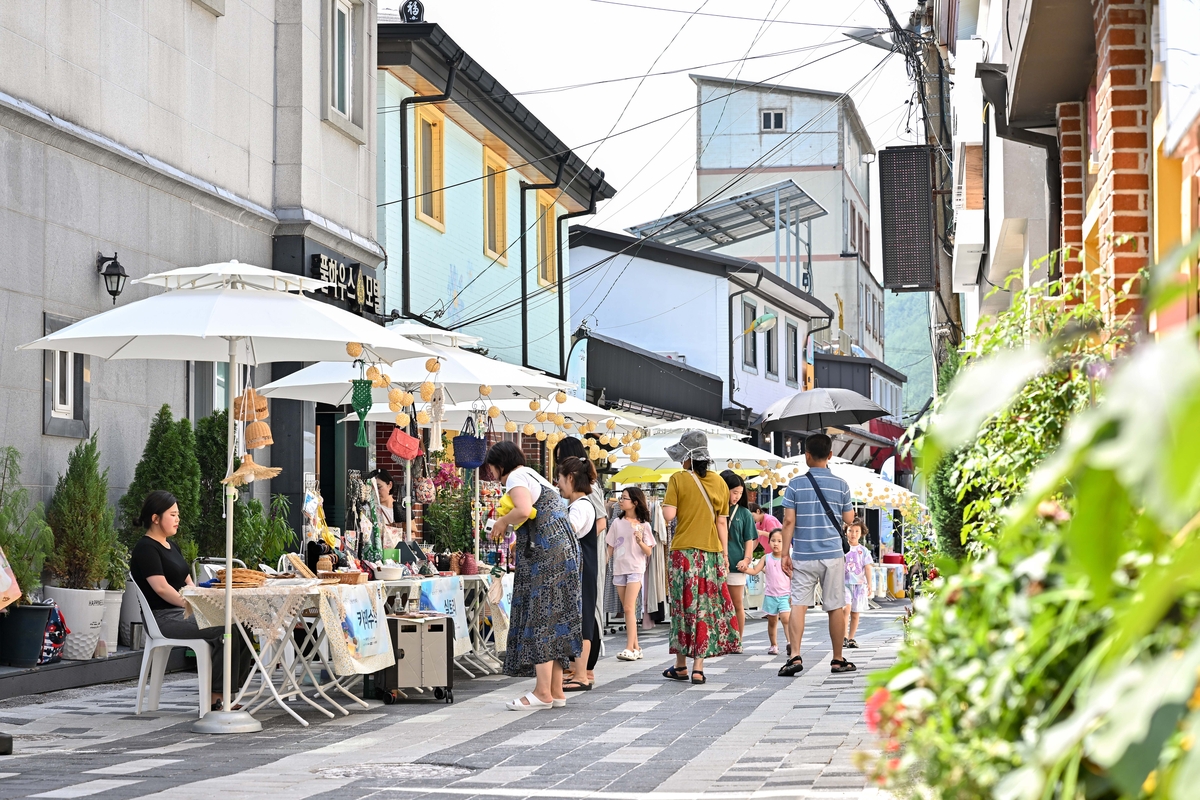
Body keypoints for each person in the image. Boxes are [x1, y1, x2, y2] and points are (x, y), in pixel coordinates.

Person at [129, 490, 251, 710]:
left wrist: (202, 600)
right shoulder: (146, 548)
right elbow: (162, 588)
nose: (178, 519)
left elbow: (189, 584)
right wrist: (192, 604)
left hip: (184, 611)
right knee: (227, 628)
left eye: (178, 515)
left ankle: (229, 691)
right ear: (155, 518)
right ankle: (216, 698)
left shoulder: (171, 546)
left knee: (242, 624)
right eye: (173, 514)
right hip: (164, 618)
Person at [486, 441, 581, 710]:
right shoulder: (533, 475)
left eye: (491, 467)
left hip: (546, 551)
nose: (491, 473)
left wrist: (502, 522)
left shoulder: (515, 476)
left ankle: (542, 693)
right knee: (556, 616)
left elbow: (524, 510)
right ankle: (555, 690)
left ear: (499, 464)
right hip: (563, 550)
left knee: (541, 615)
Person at [661, 430, 739, 685]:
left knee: (683, 607)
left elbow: (669, 516)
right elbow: (722, 523)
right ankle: (695, 668)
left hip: (684, 553)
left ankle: (681, 664)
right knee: (704, 610)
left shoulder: (678, 479)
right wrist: (725, 555)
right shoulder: (719, 482)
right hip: (712, 555)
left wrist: (669, 502)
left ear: (687, 457)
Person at [778, 433, 856, 677]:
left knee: (799, 605)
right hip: (833, 555)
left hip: (803, 554)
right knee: (835, 606)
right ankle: (837, 659)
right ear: (830, 455)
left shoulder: (795, 484)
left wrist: (784, 554)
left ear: (806, 456)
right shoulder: (841, 484)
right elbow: (849, 519)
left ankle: (795, 656)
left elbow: (788, 521)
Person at [553, 436, 606, 685]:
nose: (558, 484)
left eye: (561, 479)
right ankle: (579, 671)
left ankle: (582, 674)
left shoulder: (581, 506)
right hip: (583, 568)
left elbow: (566, 534)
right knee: (580, 618)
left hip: (583, 568)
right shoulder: (579, 504)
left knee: (584, 619)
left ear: (571, 479)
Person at [607, 487, 655, 661]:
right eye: (621, 497)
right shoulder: (616, 523)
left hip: (635, 568)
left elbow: (648, 552)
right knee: (628, 610)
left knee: (628, 607)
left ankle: (629, 647)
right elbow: (610, 547)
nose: (621, 500)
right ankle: (636, 647)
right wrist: (604, 564)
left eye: (624, 498)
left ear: (634, 502)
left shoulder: (644, 525)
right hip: (619, 568)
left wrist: (640, 541)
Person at [721, 470, 758, 653]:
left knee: (737, 604)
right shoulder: (714, 509)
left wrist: (746, 559)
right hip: (715, 562)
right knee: (718, 604)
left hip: (736, 564)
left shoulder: (744, 513)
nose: (737, 496)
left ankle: (737, 641)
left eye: (740, 493)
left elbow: (749, 540)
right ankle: (720, 639)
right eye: (734, 492)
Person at [741, 529, 792, 655]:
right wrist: (744, 569)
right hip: (770, 595)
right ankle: (773, 645)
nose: (776, 543)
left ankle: (790, 643)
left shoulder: (788, 559)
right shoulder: (766, 558)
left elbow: (793, 577)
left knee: (786, 619)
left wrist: (793, 594)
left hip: (785, 595)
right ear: (768, 542)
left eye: (779, 541)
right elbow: (755, 571)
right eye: (773, 540)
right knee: (772, 621)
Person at [843, 517, 874, 649]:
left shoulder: (864, 550)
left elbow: (867, 567)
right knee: (846, 608)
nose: (853, 534)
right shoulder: (842, 548)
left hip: (859, 585)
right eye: (850, 530)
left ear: (861, 533)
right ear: (846, 532)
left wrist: (870, 584)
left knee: (855, 613)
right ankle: (843, 636)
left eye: (856, 531)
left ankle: (851, 638)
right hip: (844, 584)